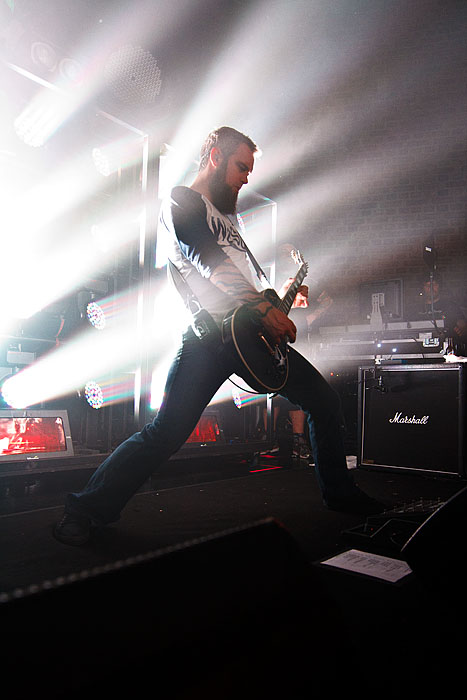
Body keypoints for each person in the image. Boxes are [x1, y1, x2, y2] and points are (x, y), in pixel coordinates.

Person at [54, 126, 383, 546]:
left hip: (251, 335)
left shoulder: (227, 219)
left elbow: (245, 279)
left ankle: (340, 493)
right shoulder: (182, 201)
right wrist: (265, 308)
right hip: (210, 340)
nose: (246, 178)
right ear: (213, 155)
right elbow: (206, 260)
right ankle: (82, 510)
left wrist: (281, 299)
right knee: (165, 434)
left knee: (324, 400)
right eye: (240, 167)